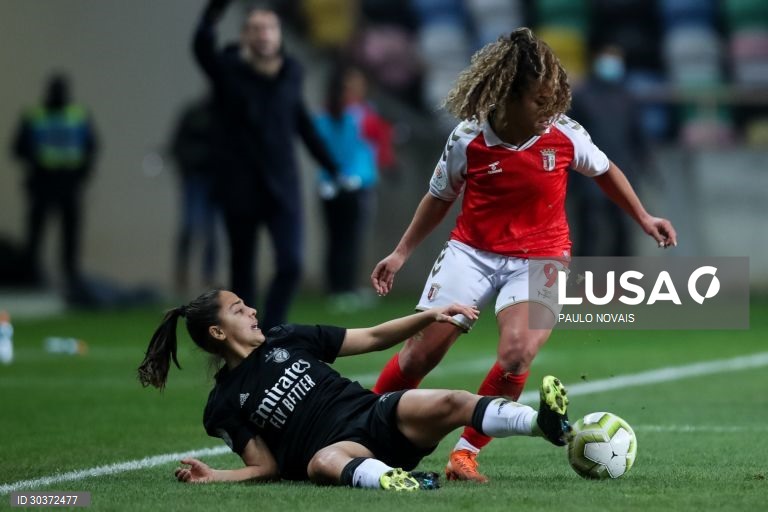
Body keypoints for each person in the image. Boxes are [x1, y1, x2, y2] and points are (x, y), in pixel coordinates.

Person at [370, 28, 677, 483]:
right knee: (419, 357)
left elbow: (605, 169)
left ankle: (465, 454)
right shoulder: (468, 138)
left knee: (516, 356)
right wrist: (400, 253)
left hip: (543, 257)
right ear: (507, 96)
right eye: (539, 100)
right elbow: (439, 196)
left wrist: (644, 217)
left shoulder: (565, 134)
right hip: (471, 253)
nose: (549, 110)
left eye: (554, 99)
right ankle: (364, 432)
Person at [138, 288, 572, 490]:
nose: (251, 310)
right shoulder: (223, 406)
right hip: (343, 451)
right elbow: (264, 466)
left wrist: (431, 315)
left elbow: (372, 337)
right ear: (217, 331)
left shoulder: (286, 337)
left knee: (452, 400)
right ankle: (399, 482)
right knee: (321, 462)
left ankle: (543, 423)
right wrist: (215, 476)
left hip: (377, 417)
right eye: (238, 310)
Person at [193, 0, 340, 330]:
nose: (263, 35)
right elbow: (202, 49)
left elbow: (301, 122)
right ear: (245, 36)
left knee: (291, 263)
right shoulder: (227, 69)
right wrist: (212, 15)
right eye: (255, 29)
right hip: (240, 186)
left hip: (282, 185)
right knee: (242, 270)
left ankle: (271, 331)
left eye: (269, 28)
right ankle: (244, 339)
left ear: (279, 34)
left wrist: (330, 163)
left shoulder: (292, 72)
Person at [314, 63, 395, 311]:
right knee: (347, 239)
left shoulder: (325, 114)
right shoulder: (358, 114)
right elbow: (366, 145)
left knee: (339, 238)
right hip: (354, 183)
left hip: (330, 183)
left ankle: (340, 288)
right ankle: (343, 289)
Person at [11, 73, 98, 289]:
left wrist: (82, 173)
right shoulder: (35, 115)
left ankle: (69, 277)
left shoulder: (77, 115)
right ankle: (31, 276)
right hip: (44, 182)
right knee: (37, 232)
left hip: (66, 182)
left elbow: (91, 147)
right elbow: (18, 148)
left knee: (69, 233)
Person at [568, 44, 649, 256]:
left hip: (623, 174)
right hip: (589, 177)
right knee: (590, 234)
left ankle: (622, 285)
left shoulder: (627, 97)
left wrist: (645, 168)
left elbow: (637, 137)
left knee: (623, 234)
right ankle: (584, 285)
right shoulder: (583, 96)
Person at [169, 95, 219, 295]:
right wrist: (188, 166)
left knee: (211, 233)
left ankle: (208, 279)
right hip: (195, 179)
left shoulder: (223, 115)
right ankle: (182, 278)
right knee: (190, 226)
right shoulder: (193, 114)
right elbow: (177, 144)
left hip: (215, 181)